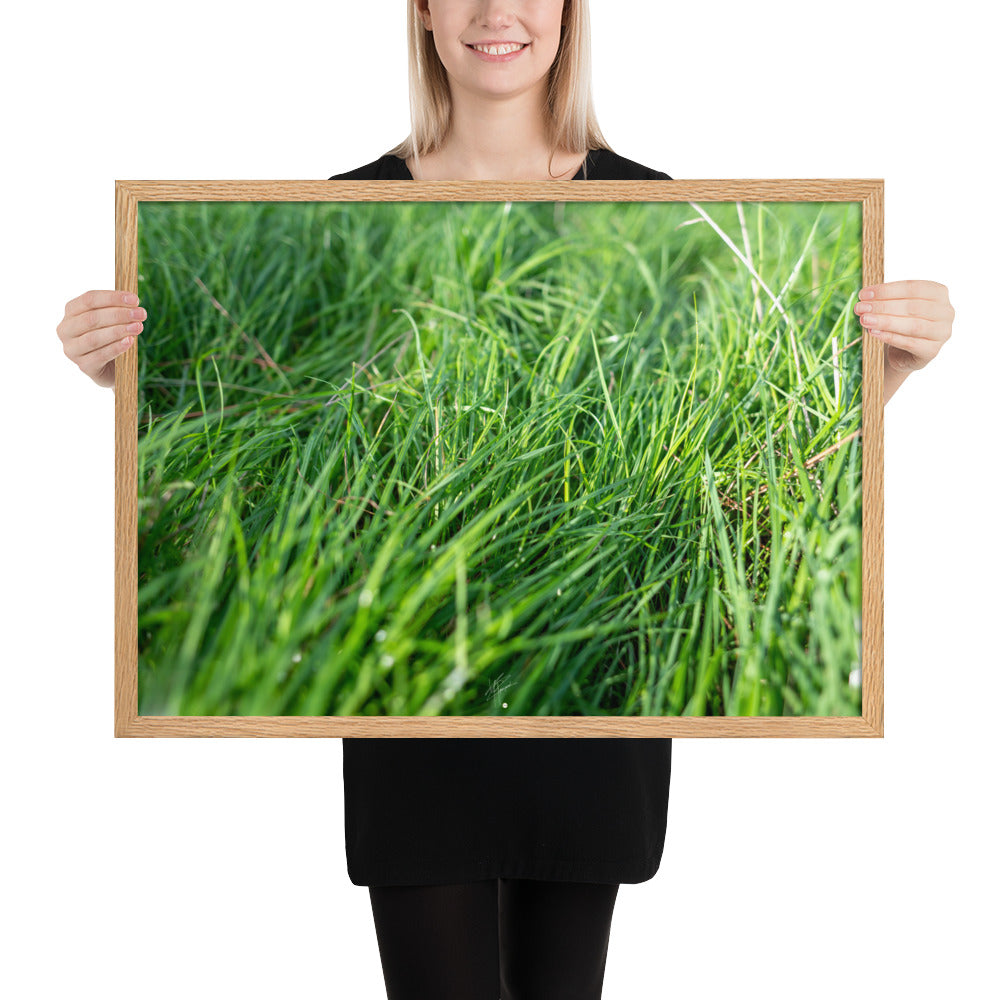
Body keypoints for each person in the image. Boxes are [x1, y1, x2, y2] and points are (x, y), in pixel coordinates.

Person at [56, 2, 954, 997]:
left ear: (569, 15)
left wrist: (893, 366)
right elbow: (245, 425)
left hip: (593, 709)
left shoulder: (660, 205)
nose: (496, 12)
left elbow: (767, 438)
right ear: (425, 14)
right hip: (408, 703)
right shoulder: (343, 208)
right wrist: (123, 379)